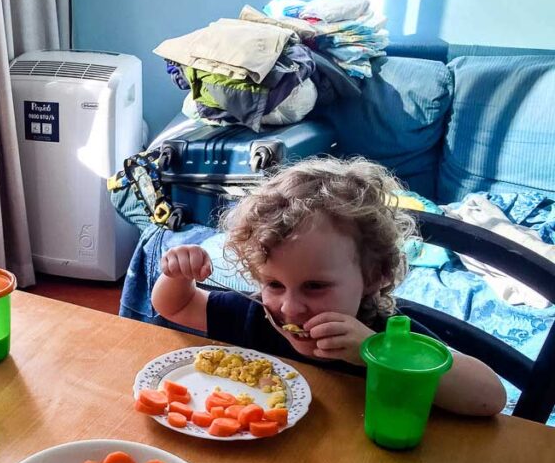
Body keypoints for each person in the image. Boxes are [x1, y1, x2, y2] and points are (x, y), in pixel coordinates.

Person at [151, 158, 506, 417]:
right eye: (273, 283)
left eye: (315, 286)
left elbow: (490, 397)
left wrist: (376, 354)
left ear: (375, 275)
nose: (289, 308)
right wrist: (176, 276)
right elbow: (177, 307)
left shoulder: (387, 335)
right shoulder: (255, 316)